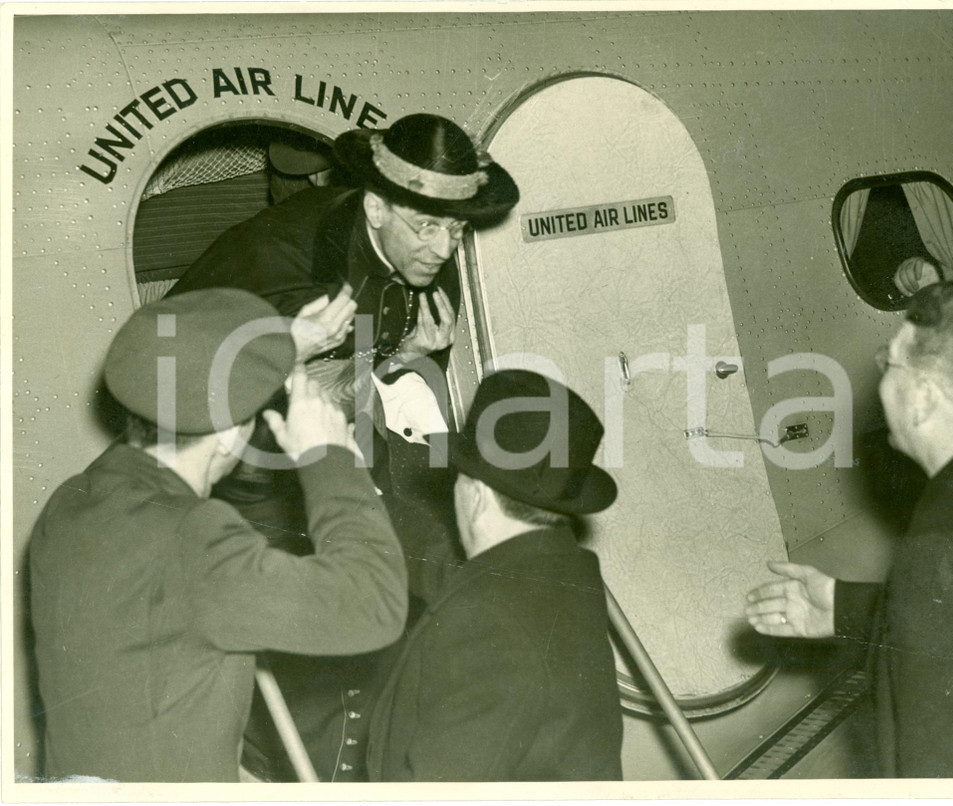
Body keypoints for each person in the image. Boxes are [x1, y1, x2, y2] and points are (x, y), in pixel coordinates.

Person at [166, 113, 520, 781]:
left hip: (333, 431)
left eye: (457, 228)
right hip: (237, 457)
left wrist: (405, 355)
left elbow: (361, 373)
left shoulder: (422, 258)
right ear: (377, 204)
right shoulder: (279, 262)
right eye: (428, 226)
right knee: (315, 646)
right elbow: (223, 389)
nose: (444, 248)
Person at [29, 288, 407, 782]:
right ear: (232, 435)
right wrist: (329, 459)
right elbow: (374, 604)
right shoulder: (194, 537)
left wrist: (276, 350)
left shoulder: (73, 502)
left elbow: (175, 390)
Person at [745, 281, 953, 777]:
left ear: (923, 400)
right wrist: (845, 607)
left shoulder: (940, 540)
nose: (879, 377)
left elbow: (939, 766)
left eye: (889, 363)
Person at [367, 369, 624, 781]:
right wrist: (357, 488)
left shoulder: (491, 625)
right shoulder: (562, 572)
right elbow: (448, 570)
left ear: (476, 496)